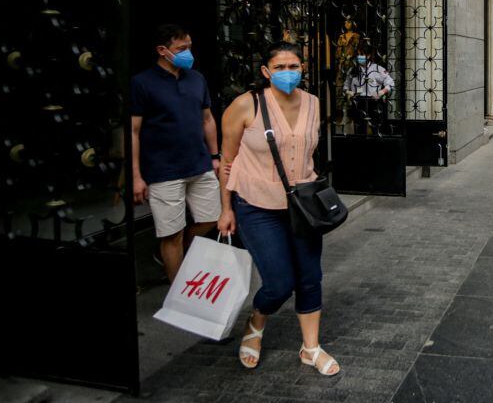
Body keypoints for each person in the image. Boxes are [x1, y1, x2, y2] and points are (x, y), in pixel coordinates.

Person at [218, 41, 340, 376]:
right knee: (279, 282)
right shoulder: (245, 105)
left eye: (294, 67)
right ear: (266, 71)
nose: (288, 73)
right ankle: (256, 323)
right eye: (281, 67)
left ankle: (310, 348)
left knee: (310, 276)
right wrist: (226, 209)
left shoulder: (315, 103)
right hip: (255, 205)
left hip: (302, 206)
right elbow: (226, 162)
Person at [131, 24, 221, 283]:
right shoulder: (142, 83)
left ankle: (182, 258)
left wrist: (215, 157)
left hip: (200, 165)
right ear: (162, 50)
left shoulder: (197, 78)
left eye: (190, 47)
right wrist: (137, 176)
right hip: (163, 171)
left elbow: (207, 119)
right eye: (181, 49)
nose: (188, 53)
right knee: (172, 234)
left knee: (211, 219)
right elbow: (134, 131)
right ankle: (178, 292)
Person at [343, 42, 394, 135]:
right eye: (358, 54)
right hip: (358, 102)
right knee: (359, 130)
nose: (359, 57)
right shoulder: (352, 70)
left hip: (373, 102)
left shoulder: (378, 69)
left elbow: (390, 83)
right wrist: (348, 92)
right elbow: (346, 86)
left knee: (375, 129)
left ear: (369, 55)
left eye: (362, 54)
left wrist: (382, 92)